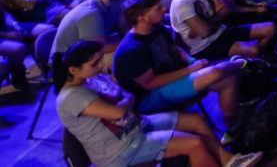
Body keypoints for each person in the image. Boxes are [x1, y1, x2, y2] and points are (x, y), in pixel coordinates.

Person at [57, 40, 262, 167]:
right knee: (194, 144)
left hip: (137, 125)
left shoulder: (91, 79)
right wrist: (126, 101)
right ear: (73, 70)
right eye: (95, 64)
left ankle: (228, 161)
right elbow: (119, 111)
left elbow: (124, 98)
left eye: (100, 60)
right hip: (121, 150)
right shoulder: (72, 97)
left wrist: (125, 100)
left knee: (196, 121)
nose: (102, 66)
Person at [113, 0, 245, 140]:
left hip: (174, 78)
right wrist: (191, 69)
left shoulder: (157, 28)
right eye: (158, 8)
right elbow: (150, 83)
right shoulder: (130, 50)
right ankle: (242, 63)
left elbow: (174, 49)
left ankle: (232, 130)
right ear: (141, 18)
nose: (164, 9)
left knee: (228, 79)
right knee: (215, 73)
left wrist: (191, 61)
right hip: (151, 96)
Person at [51, 0, 128, 64]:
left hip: (85, 54)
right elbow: (99, 48)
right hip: (67, 64)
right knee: (125, 54)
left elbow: (122, 29)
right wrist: (130, 42)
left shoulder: (112, 4)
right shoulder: (91, 13)